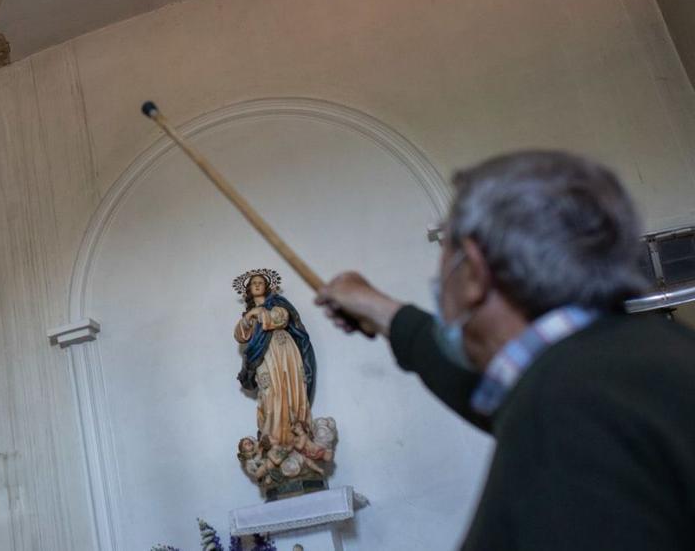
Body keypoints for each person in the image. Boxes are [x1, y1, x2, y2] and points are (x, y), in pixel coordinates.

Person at [315, 150, 695, 550]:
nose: (440, 284)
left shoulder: (568, 405)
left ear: (475, 273)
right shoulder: (634, 361)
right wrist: (383, 312)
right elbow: (502, 395)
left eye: (444, 267)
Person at [234, 269, 316, 446]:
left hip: (284, 349)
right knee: (271, 392)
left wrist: (261, 313)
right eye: (253, 283)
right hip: (264, 355)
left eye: (260, 282)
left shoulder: (277, 303)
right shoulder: (249, 315)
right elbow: (241, 335)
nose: (256, 284)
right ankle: (273, 439)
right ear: (248, 289)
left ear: (267, 287)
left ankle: (296, 437)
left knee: (291, 388)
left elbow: (282, 318)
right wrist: (250, 314)